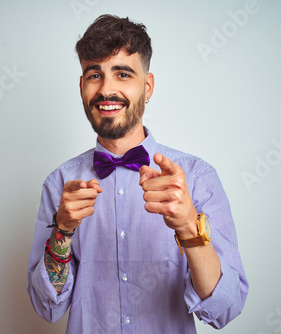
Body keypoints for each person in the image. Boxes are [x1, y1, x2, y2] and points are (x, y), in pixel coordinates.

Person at [27, 14, 248, 333]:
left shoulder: (197, 177)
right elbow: (47, 306)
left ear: (147, 87)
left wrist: (188, 228)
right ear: (81, 87)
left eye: (122, 74)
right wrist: (61, 230)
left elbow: (225, 309)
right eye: (94, 75)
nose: (106, 90)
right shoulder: (59, 184)